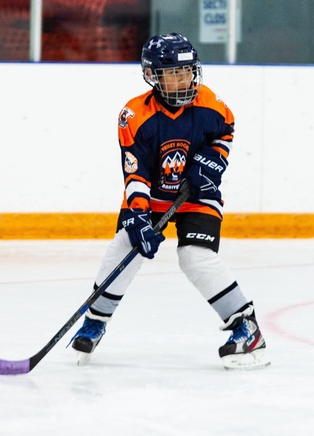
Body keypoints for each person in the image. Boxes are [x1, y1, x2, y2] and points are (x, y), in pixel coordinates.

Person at [67, 33, 270, 370]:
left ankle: (246, 328)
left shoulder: (212, 105)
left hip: (197, 195)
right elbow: (135, 174)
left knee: (195, 257)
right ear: (152, 77)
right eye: (172, 74)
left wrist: (212, 161)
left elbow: (225, 130)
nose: (183, 80)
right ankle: (96, 320)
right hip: (152, 195)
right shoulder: (134, 116)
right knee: (124, 247)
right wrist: (138, 216)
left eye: (188, 71)